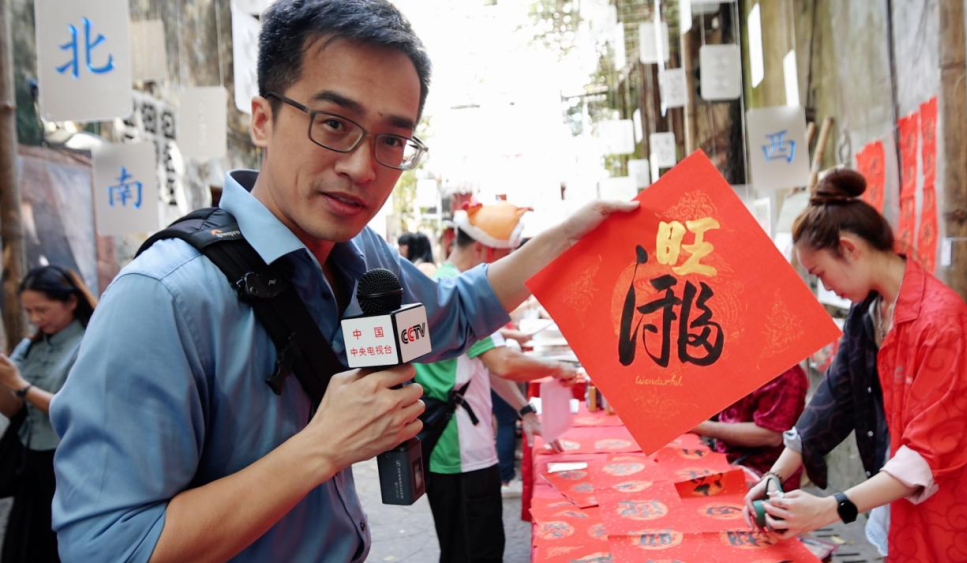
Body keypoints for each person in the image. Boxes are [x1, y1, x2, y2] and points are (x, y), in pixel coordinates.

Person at [48, 2, 637, 562]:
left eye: (391, 140)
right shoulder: (162, 299)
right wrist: (322, 446)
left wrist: (568, 237)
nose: (361, 167)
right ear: (262, 118)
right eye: (334, 124)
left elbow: (461, 312)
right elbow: (108, 546)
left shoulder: (363, 256)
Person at [745, 169, 967, 562]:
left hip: (953, 507)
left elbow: (927, 453)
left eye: (819, 274)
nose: (824, 287)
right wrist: (774, 476)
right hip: (896, 500)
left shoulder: (943, 324)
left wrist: (830, 508)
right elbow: (835, 396)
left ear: (848, 248)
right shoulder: (870, 311)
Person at [415, 202, 580, 563]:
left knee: (470, 546)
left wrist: (524, 408)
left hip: (460, 443)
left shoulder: (446, 286)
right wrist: (555, 367)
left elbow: (486, 364)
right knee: (475, 550)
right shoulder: (454, 289)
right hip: (457, 449)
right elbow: (501, 362)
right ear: (482, 251)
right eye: (505, 262)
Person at [0, 266, 96, 563]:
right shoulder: (30, 346)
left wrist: (21, 385)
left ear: (70, 302)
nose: (35, 318)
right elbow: (12, 409)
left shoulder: (90, 344)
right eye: (29, 311)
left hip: (70, 464)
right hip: (31, 463)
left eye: (42, 309)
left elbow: (76, 410)